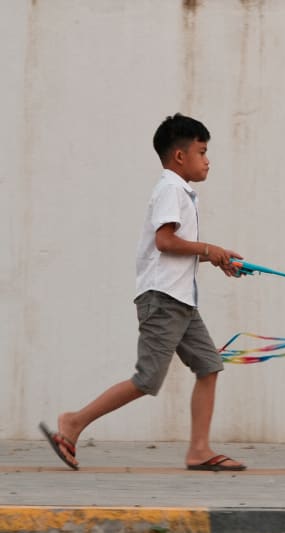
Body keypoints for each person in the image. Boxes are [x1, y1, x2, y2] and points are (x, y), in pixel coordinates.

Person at [40, 113, 247, 471]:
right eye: (202, 151)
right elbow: (165, 241)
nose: (207, 159)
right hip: (164, 300)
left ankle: (199, 450)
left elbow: (174, 248)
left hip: (181, 301)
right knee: (147, 380)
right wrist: (208, 249)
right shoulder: (170, 187)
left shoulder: (180, 191)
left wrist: (215, 258)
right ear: (180, 156)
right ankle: (73, 422)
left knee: (209, 366)